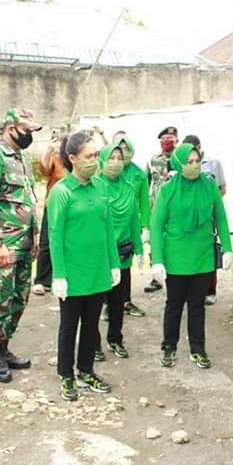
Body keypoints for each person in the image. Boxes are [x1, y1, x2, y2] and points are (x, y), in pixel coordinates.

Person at [48, 131, 119, 401]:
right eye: (89, 156)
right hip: (73, 272)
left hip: (98, 270)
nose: (94, 161)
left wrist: (114, 263)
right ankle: (66, 375)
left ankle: (86, 371)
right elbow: (55, 236)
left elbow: (108, 228)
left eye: (96, 155)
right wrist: (59, 275)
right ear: (72, 158)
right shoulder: (62, 192)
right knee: (69, 326)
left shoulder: (100, 187)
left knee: (91, 325)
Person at [151, 143, 232, 369]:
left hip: (202, 255)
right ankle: (169, 347)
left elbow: (220, 217)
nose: (194, 165)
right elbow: (157, 225)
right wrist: (157, 260)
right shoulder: (168, 189)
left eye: (197, 161)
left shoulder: (209, 185)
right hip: (176, 255)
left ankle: (198, 349)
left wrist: (227, 248)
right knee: (174, 304)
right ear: (178, 164)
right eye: (189, 162)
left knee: (197, 305)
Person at [0, 108, 41, 383]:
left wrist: (35, 237)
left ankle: (5, 346)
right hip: (3, 244)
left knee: (18, 298)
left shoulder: (23, 158)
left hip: (24, 243)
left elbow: (28, 198)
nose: (30, 135)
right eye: (27, 130)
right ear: (11, 128)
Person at [93, 143, 143, 361]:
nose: (115, 162)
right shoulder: (94, 187)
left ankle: (115, 339)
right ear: (102, 160)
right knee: (94, 303)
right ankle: (93, 343)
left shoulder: (129, 188)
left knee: (117, 302)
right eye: (111, 158)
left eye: (119, 158)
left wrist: (139, 249)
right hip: (99, 254)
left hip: (122, 254)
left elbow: (134, 221)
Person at [181, 134, 228, 306]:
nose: (193, 163)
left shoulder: (213, 163)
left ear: (199, 148)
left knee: (209, 249)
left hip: (208, 214)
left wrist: (208, 203)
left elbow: (222, 189)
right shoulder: (180, 164)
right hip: (186, 215)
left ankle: (210, 290)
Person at [112, 132, 148, 317]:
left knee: (125, 264)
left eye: (127, 149)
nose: (123, 153)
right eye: (120, 149)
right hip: (110, 227)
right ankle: (107, 304)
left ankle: (125, 301)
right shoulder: (105, 172)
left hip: (129, 227)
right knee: (109, 265)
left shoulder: (139, 175)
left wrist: (145, 227)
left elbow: (144, 203)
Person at [144, 125, 178, 293]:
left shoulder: (180, 159)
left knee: (174, 240)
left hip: (175, 208)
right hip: (156, 207)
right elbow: (146, 182)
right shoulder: (153, 160)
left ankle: (175, 273)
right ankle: (156, 277)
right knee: (155, 240)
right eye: (164, 140)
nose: (166, 142)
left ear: (176, 141)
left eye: (170, 140)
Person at [32, 136, 66, 295]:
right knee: (46, 242)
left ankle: (60, 277)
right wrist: (49, 149)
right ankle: (41, 280)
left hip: (72, 208)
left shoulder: (77, 162)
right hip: (52, 206)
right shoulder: (55, 159)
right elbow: (44, 170)